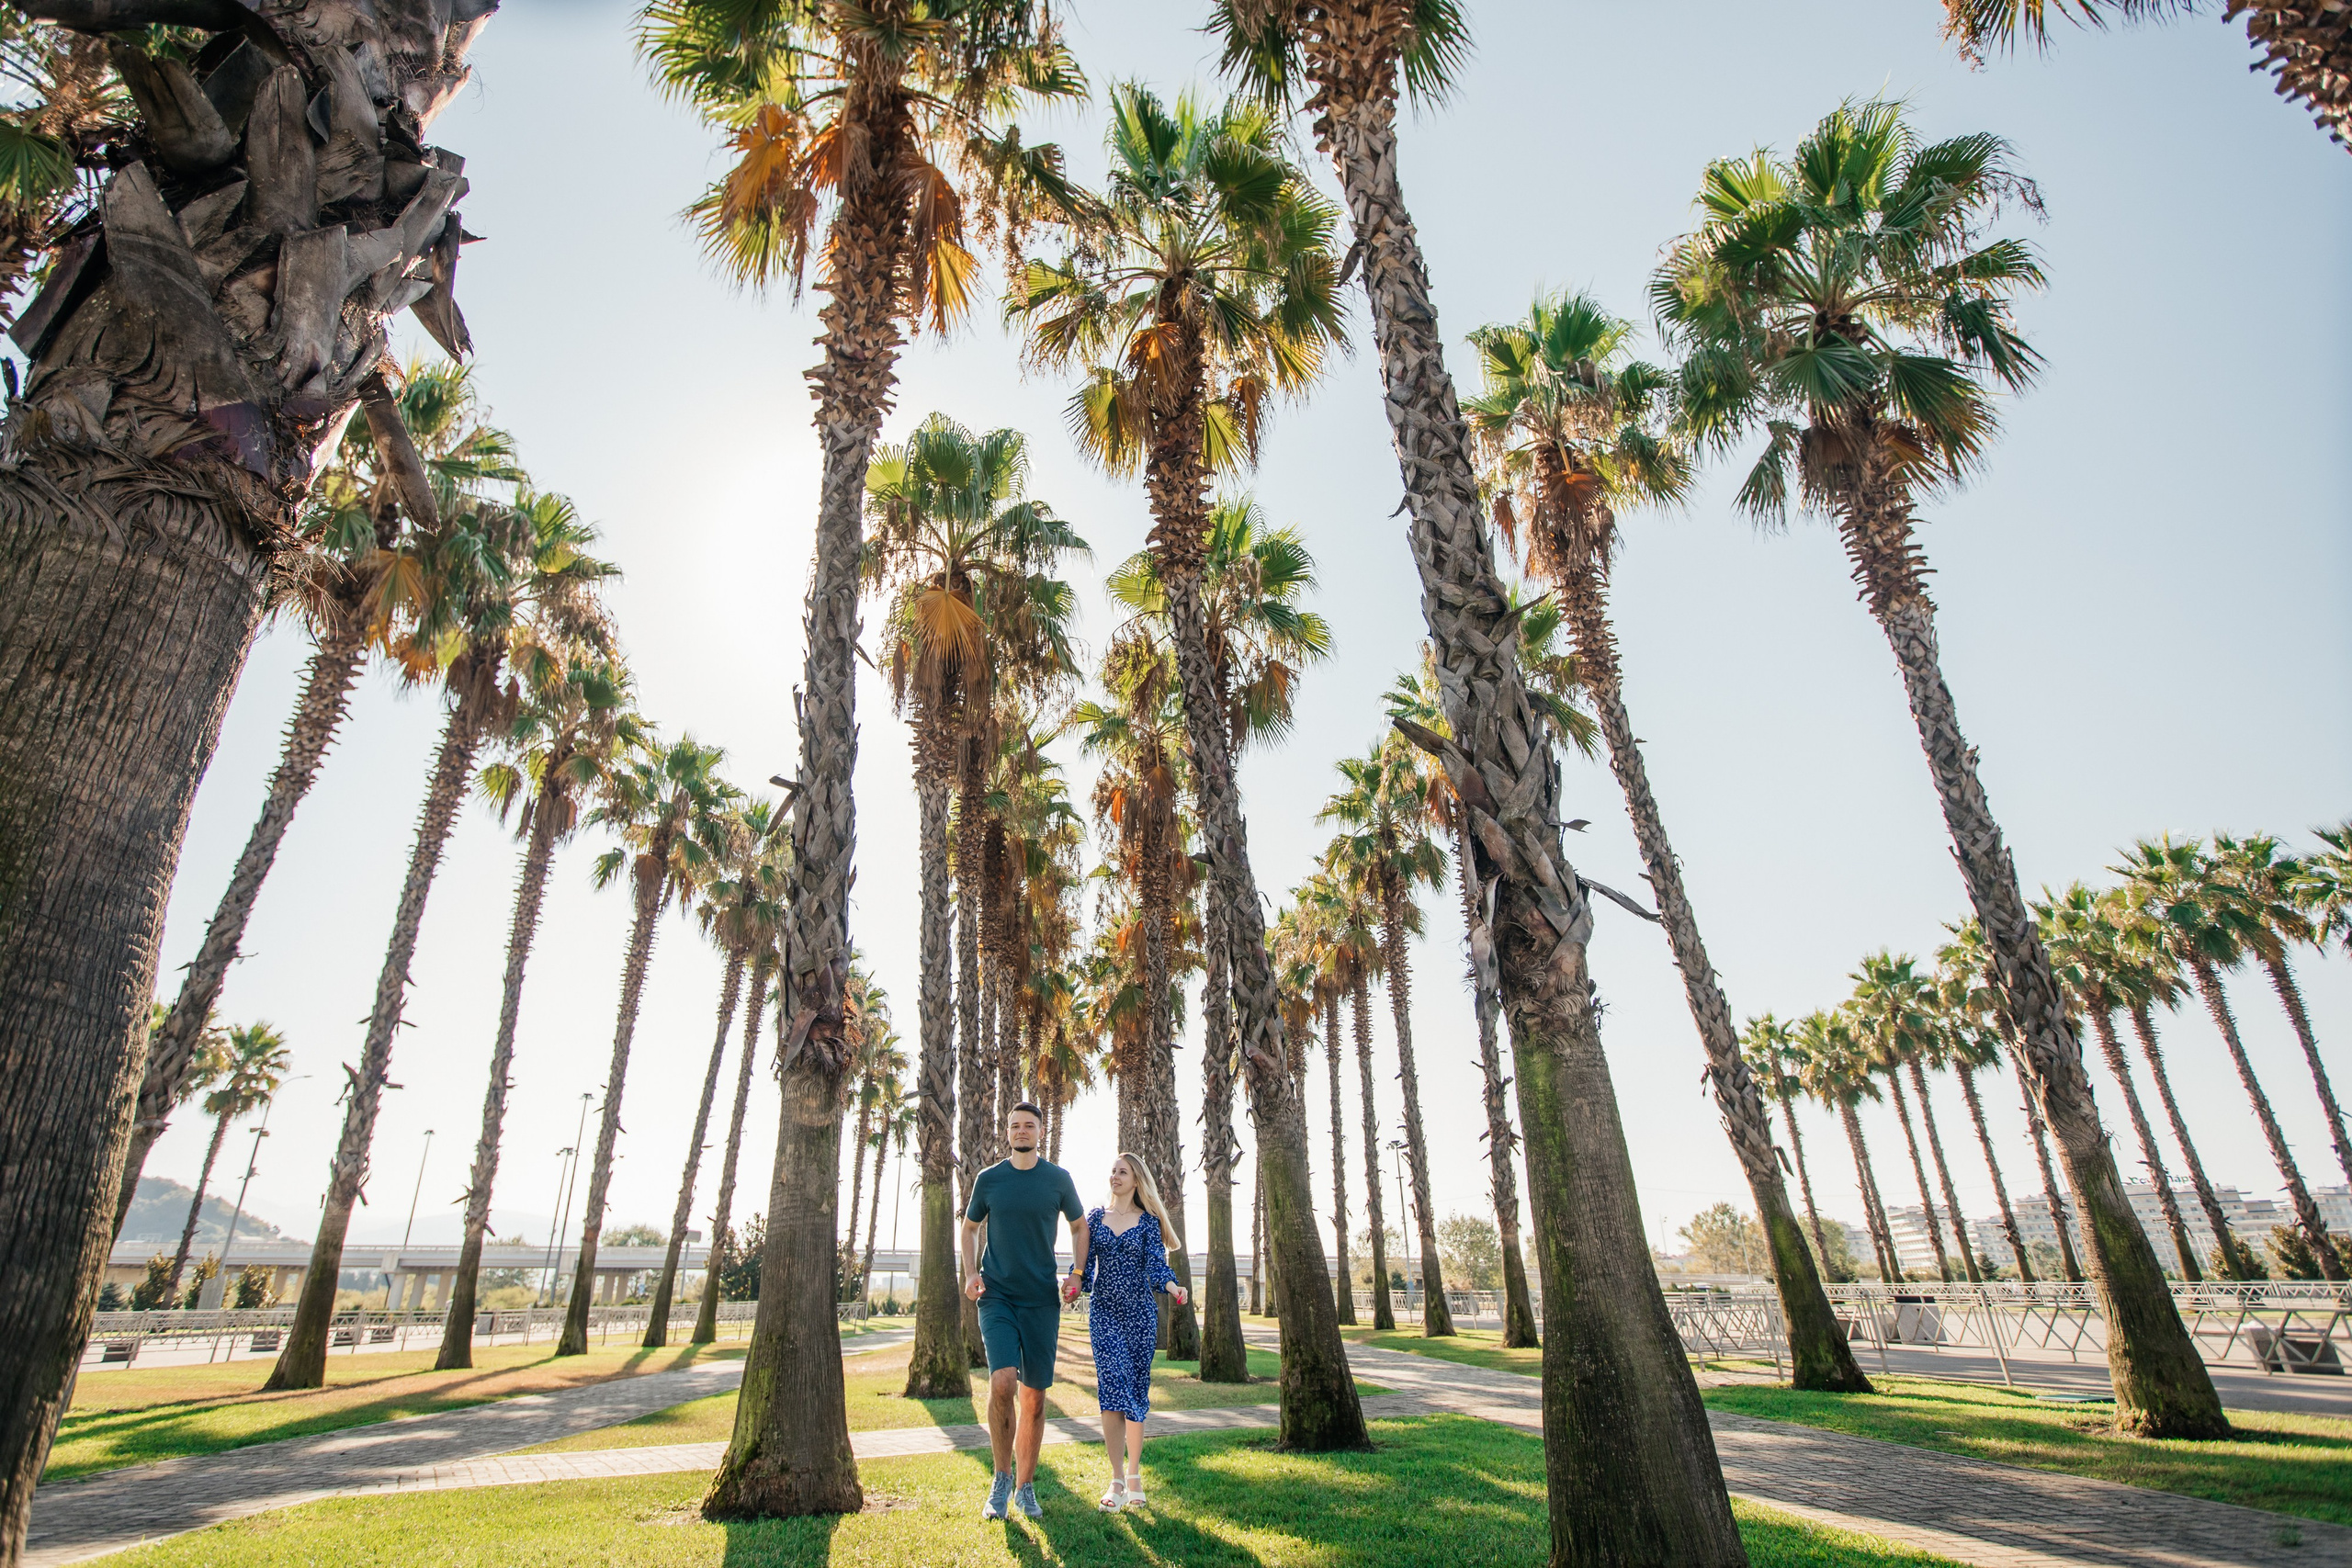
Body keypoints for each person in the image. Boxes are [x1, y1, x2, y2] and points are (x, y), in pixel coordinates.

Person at [963, 1100, 1086, 1520]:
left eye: (1028, 1126)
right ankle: (1000, 1480)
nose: (1020, 1131)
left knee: (1034, 1397)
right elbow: (969, 1228)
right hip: (997, 1296)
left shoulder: (1058, 1179)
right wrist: (970, 1272)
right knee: (1002, 1383)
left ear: (1039, 1131)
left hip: (1041, 1301)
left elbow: (1079, 1226)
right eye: (1014, 1126)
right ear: (1008, 1132)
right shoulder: (989, 1180)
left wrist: (1077, 1273)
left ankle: (1025, 1487)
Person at [1081, 1152, 1188, 1512]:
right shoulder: (1096, 1218)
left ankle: (1134, 1474)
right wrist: (1072, 1283)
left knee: (1135, 1394)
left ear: (1136, 1180)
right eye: (1112, 1170)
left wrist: (1174, 1288)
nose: (1115, 1176)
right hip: (1105, 1314)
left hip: (1140, 1317)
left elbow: (1157, 1266)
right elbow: (1082, 1262)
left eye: (1122, 1171)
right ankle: (1115, 1479)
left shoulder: (1148, 1223)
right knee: (1111, 1386)